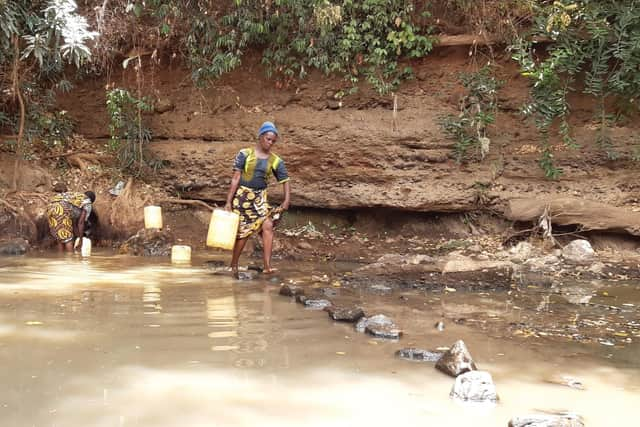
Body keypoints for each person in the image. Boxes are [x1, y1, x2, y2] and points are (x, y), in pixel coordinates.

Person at [224, 121, 291, 277]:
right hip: (242, 199)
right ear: (261, 137)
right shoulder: (244, 154)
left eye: (273, 141)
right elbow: (235, 178)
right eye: (268, 139)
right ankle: (234, 264)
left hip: (260, 199)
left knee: (267, 225)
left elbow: (285, 180)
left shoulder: (275, 161)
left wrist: (287, 200)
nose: (270, 143)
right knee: (244, 233)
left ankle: (267, 266)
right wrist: (228, 201)